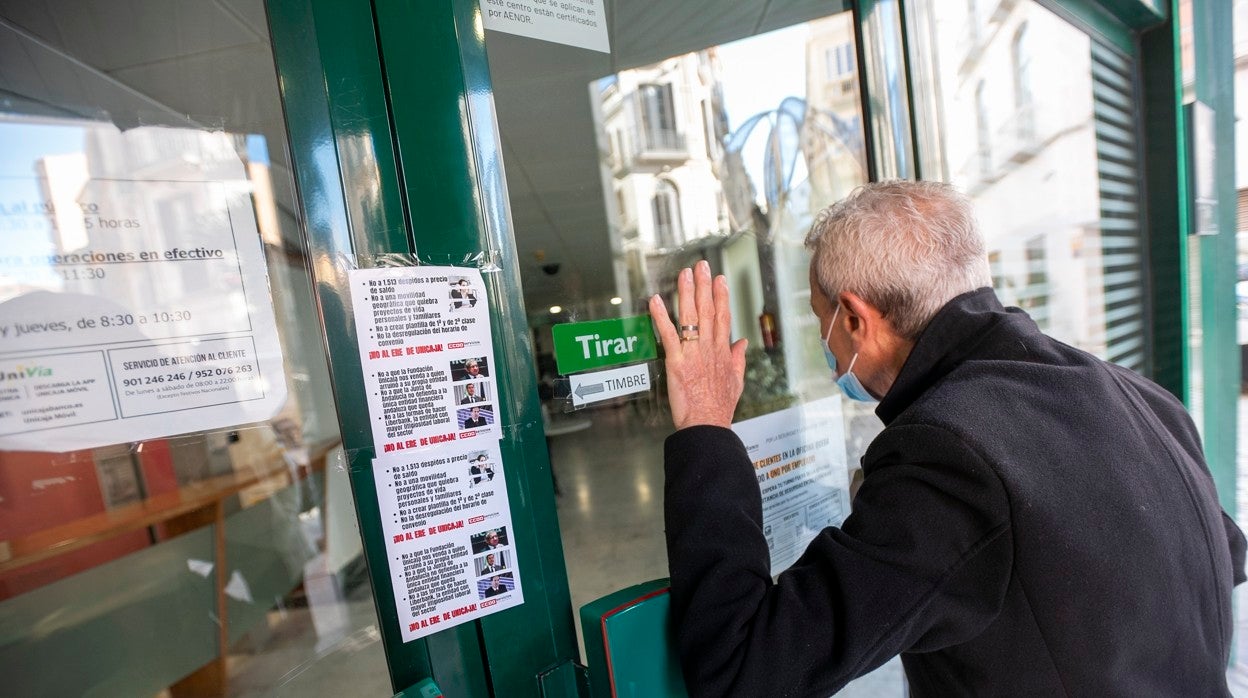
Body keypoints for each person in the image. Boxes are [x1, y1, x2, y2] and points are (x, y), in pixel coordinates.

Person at [647, 180, 1247, 697]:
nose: (825, 343)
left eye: (819, 319)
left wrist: (705, 425)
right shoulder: (1133, 393)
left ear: (855, 319)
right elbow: (1225, 554)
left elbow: (744, 669)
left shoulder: (948, 455)